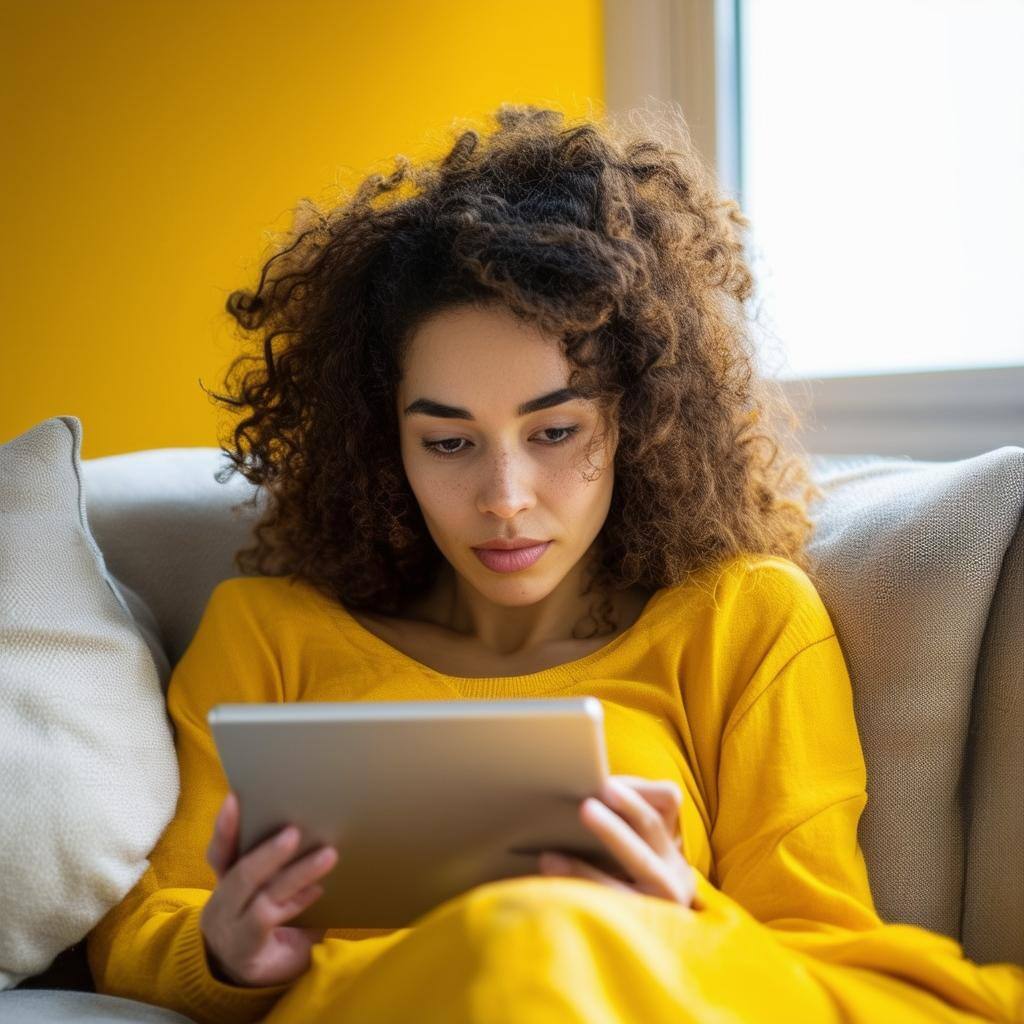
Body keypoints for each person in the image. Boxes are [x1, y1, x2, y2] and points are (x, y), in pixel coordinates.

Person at [85, 104, 1024, 1024]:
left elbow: (818, 950)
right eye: (449, 443)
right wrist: (227, 950)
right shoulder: (268, 634)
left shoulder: (743, 618)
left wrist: (686, 921)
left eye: (557, 431)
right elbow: (141, 929)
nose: (505, 496)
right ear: (384, 447)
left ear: (638, 421)